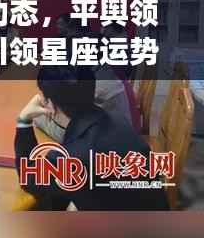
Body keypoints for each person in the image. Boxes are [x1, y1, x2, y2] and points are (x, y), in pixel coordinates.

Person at [14, 64, 169, 210]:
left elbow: (29, 179)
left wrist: (23, 121)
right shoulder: (119, 120)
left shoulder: (69, 157)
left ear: (51, 106)